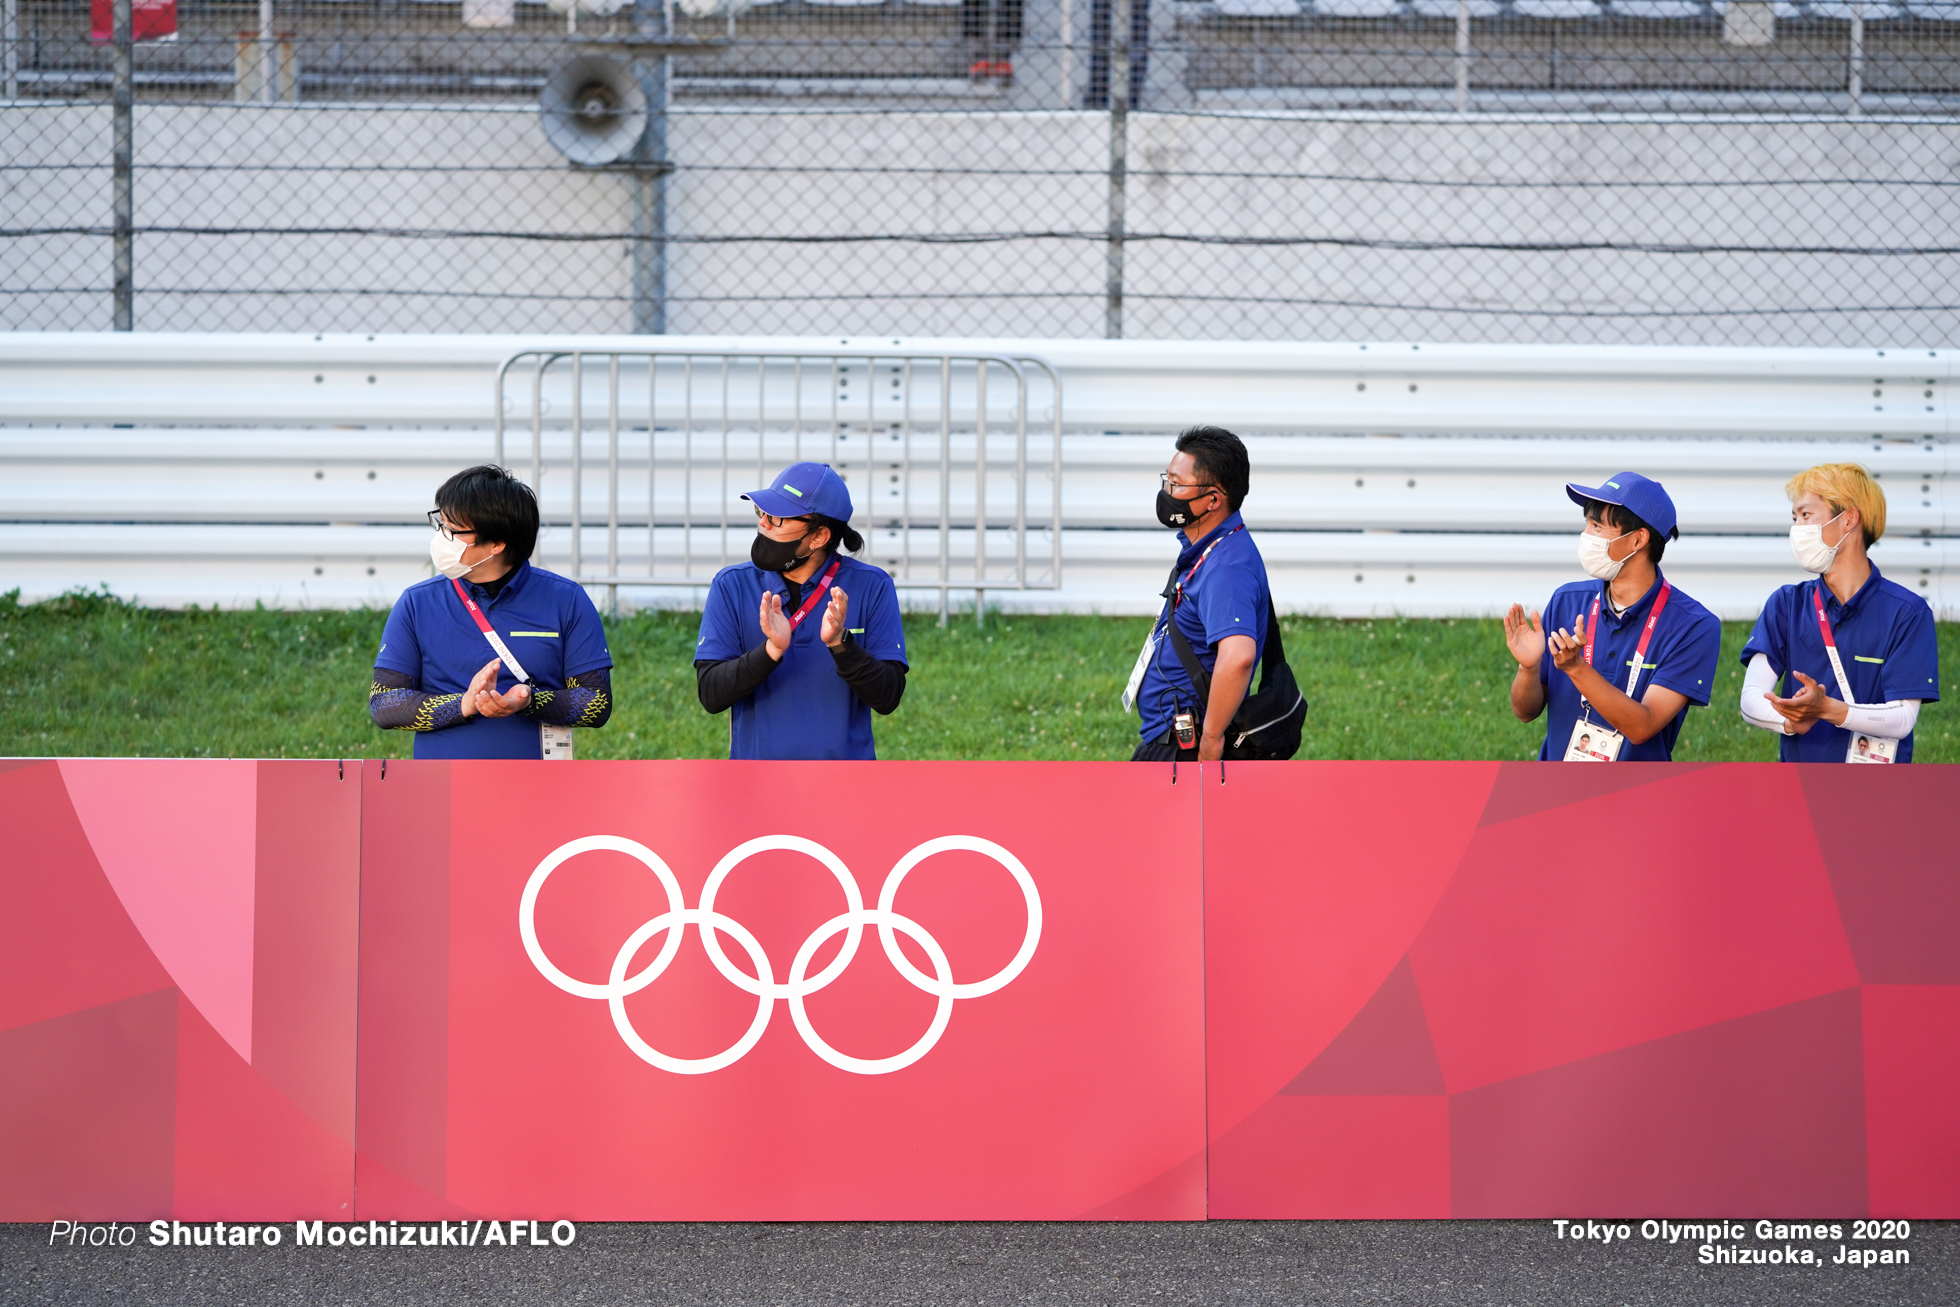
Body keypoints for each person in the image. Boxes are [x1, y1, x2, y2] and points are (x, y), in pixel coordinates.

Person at [370, 465, 613, 759]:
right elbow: (384, 703)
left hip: (541, 785)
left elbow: (596, 702)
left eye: (453, 530)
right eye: (441, 523)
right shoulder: (416, 603)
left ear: (496, 544)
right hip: (441, 787)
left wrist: (528, 703)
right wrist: (463, 704)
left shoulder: (566, 600)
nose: (441, 537)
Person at [694, 462, 908, 760]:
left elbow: (887, 697)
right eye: (762, 512)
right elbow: (712, 695)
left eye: (778, 517)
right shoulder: (732, 585)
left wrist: (841, 644)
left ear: (819, 536)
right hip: (755, 783)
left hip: (847, 784)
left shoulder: (872, 586)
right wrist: (770, 651)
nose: (763, 523)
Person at [1503, 472, 1721, 762]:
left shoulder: (1693, 626)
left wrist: (1577, 668)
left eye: (1598, 526)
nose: (1586, 537)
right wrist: (1528, 669)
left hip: (1641, 793)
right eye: (1587, 524)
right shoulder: (1567, 600)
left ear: (1638, 540)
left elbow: (1643, 726)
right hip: (1558, 789)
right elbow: (1525, 712)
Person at [1737, 463, 1938, 763]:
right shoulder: (1786, 603)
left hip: (1881, 795)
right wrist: (1792, 721)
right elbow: (1751, 699)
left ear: (1849, 519)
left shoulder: (1907, 612)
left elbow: (1903, 718)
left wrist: (1827, 709)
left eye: (1806, 515)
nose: (1797, 529)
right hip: (1800, 789)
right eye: (1794, 518)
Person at [1126, 426, 1270, 763]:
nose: (1167, 492)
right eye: (1167, 480)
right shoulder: (1211, 547)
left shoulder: (1226, 568)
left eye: (1176, 484)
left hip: (1185, 749)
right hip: (1171, 738)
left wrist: (1211, 740)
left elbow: (1238, 656)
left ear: (1213, 499)